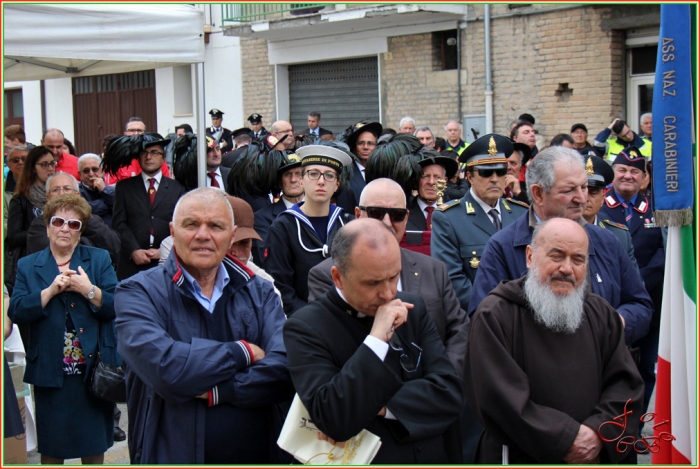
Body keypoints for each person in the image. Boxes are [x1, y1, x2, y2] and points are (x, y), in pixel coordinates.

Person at [115, 188, 292, 464]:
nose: (203, 235)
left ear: (232, 235)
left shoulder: (260, 292)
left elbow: (285, 368)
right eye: (191, 224)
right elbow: (166, 370)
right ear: (172, 232)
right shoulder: (137, 292)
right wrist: (241, 352)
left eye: (215, 226)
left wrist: (219, 391)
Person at [283, 218, 464, 464]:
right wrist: (376, 340)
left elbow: (449, 393)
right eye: (373, 283)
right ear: (338, 278)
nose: (388, 293)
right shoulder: (305, 327)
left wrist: (374, 404)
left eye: (394, 277)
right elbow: (335, 417)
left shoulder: (413, 307)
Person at [464, 218, 644, 464]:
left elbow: (626, 386)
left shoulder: (601, 313)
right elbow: (499, 400)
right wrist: (567, 438)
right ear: (530, 257)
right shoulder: (495, 315)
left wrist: (598, 432)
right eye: (557, 256)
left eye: (578, 259)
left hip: (593, 455)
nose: (567, 269)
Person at [468, 146, 653, 347]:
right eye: (569, 190)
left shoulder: (607, 241)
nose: (582, 199)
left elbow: (640, 305)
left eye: (584, 187)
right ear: (538, 193)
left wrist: (616, 322)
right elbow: (484, 322)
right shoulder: (503, 247)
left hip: (601, 371)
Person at [308, 178, 470, 375]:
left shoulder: (434, 269)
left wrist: (442, 382)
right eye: (376, 213)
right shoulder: (327, 275)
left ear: (406, 217)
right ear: (358, 215)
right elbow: (332, 347)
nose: (386, 223)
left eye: (396, 215)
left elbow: (459, 330)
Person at [9, 193, 119, 464]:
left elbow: (118, 306)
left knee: (94, 448)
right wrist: (47, 293)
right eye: (58, 221)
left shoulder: (99, 258)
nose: (65, 229)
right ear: (47, 226)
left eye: (73, 224)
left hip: (93, 372)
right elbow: (16, 311)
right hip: (50, 370)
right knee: (52, 449)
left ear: (80, 231)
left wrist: (89, 290)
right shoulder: (28, 265)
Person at [599, 147, 665, 419]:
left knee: (644, 368)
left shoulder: (658, 210)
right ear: (612, 175)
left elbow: (664, 252)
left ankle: (635, 426)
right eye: (622, 170)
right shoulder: (598, 205)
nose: (628, 176)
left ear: (645, 179)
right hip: (610, 300)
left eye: (635, 171)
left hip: (649, 301)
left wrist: (637, 282)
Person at [432, 134, 528, 312]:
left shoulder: (520, 213)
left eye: (500, 172)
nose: (494, 179)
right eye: (485, 172)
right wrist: (493, 312)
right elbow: (453, 280)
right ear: (469, 176)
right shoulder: (448, 218)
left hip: (521, 316)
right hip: (478, 317)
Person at [264, 144, 352, 316]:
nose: (321, 181)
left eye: (329, 175)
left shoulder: (348, 224)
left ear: (336, 185)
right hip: (302, 322)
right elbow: (281, 287)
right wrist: (311, 319)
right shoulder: (284, 226)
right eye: (313, 174)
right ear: (302, 181)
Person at [112, 134, 186, 280]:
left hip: (166, 263)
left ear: (163, 157)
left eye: (154, 153)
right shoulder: (124, 187)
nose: (148, 157)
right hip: (131, 265)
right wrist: (133, 250)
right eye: (144, 153)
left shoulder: (177, 188)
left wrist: (164, 250)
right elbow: (118, 223)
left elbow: (182, 224)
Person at [26, 172, 120, 267]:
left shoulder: (91, 219)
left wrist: (85, 219)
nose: (61, 193)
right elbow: (53, 253)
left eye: (67, 188)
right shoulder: (40, 224)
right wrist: (87, 242)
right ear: (48, 197)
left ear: (77, 195)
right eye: (55, 190)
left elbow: (115, 248)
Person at [5, 146, 56, 299]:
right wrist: (44, 231)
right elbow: (14, 237)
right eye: (44, 164)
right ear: (33, 168)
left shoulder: (60, 194)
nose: (50, 168)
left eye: (52, 163)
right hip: (32, 262)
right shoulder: (21, 199)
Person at [581, 154, 636, 262]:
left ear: (603, 198)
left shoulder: (619, 236)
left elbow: (631, 277)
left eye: (593, 193)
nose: (586, 199)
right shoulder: (554, 231)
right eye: (582, 190)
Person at [253, 153, 304, 263]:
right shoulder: (262, 218)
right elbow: (270, 257)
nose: (293, 179)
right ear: (279, 183)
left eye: (299, 174)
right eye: (287, 175)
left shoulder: (322, 210)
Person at [404, 149, 458, 231]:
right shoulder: (403, 212)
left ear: (445, 181)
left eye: (437, 177)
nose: (431, 182)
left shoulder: (455, 212)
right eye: (425, 176)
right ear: (415, 181)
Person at [78, 153, 115, 228]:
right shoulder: (76, 191)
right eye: (86, 171)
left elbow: (119, 208)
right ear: (80, 174)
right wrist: (107, 203)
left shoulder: (113, 190)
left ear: (102, 171)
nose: (91, 174)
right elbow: (83, 210)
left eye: (95, 169)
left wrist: (104, 190)